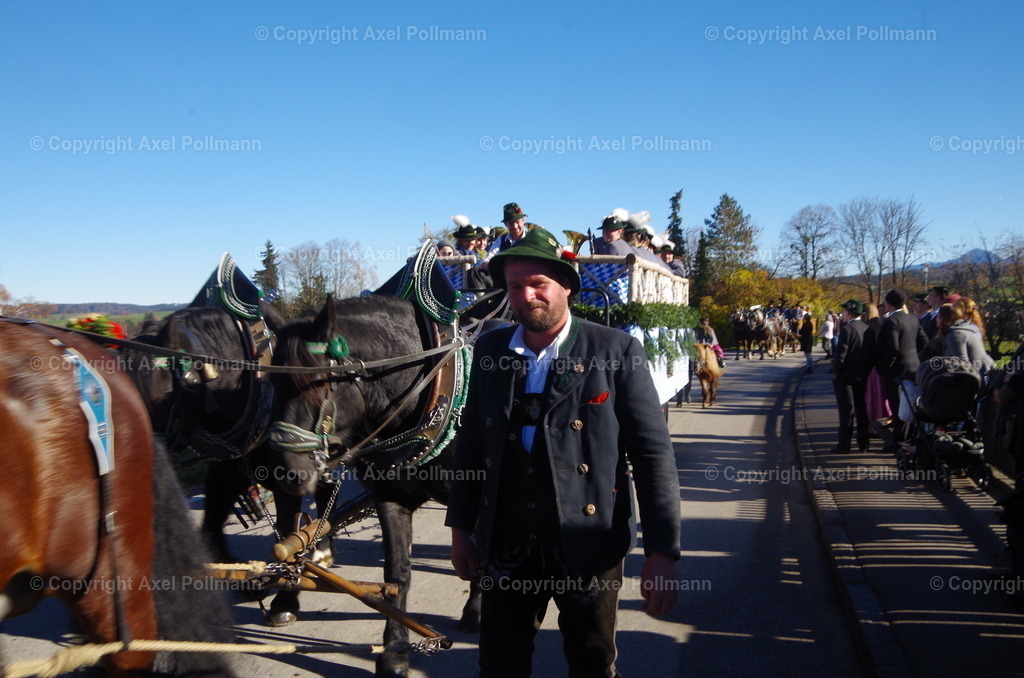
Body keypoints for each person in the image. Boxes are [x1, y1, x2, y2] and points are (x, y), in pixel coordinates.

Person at [446, 227, 681, 678]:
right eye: (516, 286)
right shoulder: (491, 350)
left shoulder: (615, 350)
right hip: (508, 544)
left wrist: (662, 553)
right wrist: (460, 529)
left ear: (566, 287)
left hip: (588, 543)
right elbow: (473, 446)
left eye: (539, 284)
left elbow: (653, 458)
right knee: (498, 665)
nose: (527, 295)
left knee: (592, 663)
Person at [877, 288, 928, 455]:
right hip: (914, 366)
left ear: (888, 304)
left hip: (897, 370)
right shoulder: (912, 318)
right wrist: (913, 355)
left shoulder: (891, 321)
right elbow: (923, 341)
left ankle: (900, 442)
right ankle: (909, 438)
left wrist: (885, 366)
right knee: (911, 403)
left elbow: (892, 347)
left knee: (897, 405)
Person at [832, 300, 875, 453]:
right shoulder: (868, 329)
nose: (843, 314)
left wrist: (836, 370)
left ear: (849, 313)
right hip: (862, 375)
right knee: (861, 410)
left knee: (846, 411)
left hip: (845, 377)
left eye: (844, 312)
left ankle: (844, 444)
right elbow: (872, 355)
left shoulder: (847, 329)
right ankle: (863, 444)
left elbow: (841, 356)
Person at [945, 297, 995, 376]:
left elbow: (961, 363)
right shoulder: (973, 327)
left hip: (977, 371)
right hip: (985, 367)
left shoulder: (959, 331)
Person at [481, 202, 529, 271]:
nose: (515, 227)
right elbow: (486, 262)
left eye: (517, 222)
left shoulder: (532, 238)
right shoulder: (501, 240)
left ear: (523, 221)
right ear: (506, 224)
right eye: (511, 223)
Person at [799, 306, 815, 372]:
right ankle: (810, 366)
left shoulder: (806, 324)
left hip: (806, 339)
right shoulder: (810, 323)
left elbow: (802, 331)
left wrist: (799, 330)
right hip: (809, 338)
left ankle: (809, 367)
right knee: (809, 353)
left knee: (807, 354)